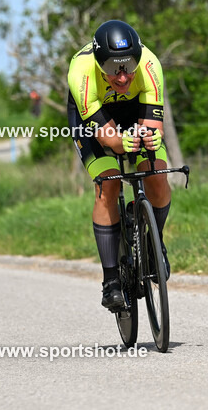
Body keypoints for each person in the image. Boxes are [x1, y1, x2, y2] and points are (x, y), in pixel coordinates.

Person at [67, 20, 171, 311]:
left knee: (157, 174)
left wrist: (150, 139)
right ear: (100, 64)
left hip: (134, 109)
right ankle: (110, 280)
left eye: (128, 66)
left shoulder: (150, 65)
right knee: (108, 184)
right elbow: (109, 139)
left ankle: (153, 245)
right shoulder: (81, 72)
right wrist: (119, 142)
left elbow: (153, 124)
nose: (123, 76)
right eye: (113, 68)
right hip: (95, 116)